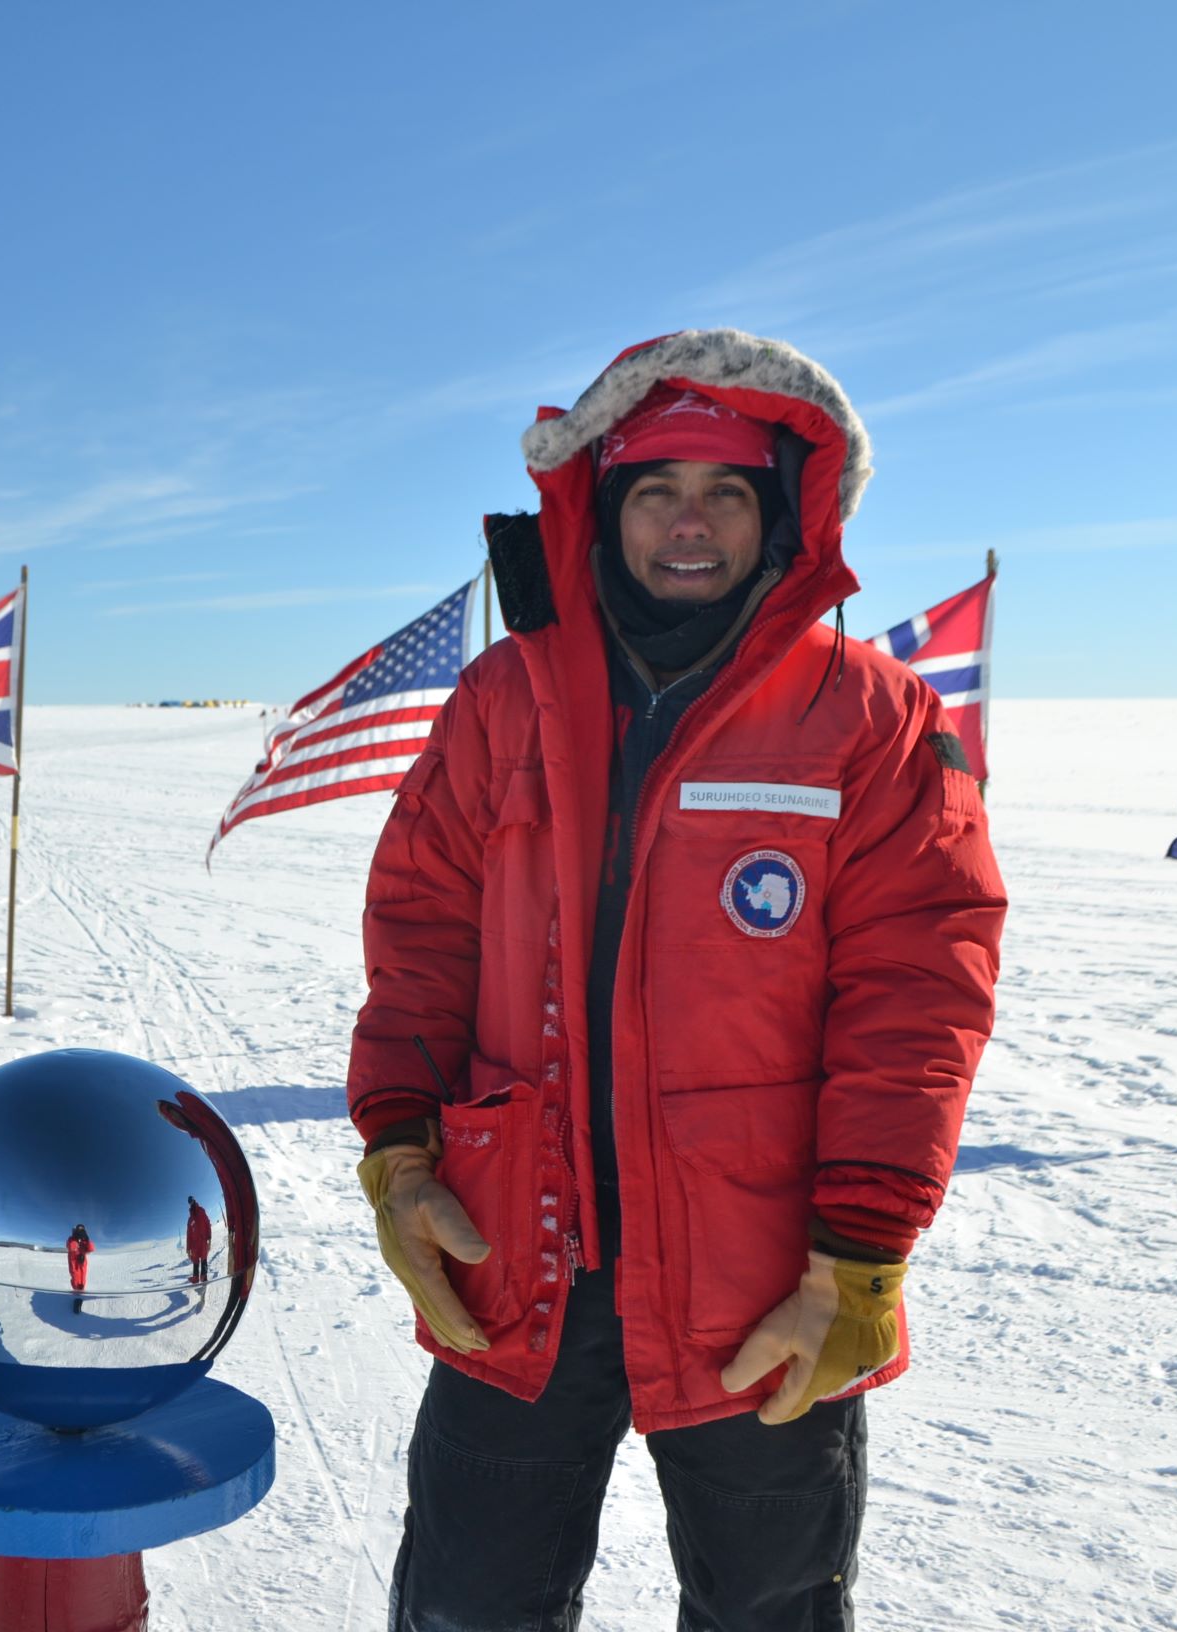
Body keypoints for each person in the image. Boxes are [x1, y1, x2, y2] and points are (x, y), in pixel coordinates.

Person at [349, 329, 1007, 1630]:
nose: (688, 520)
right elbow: (422, 933)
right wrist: (404, 1156)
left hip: (766, 1269)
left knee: (769, 1606)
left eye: (725, 490)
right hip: (513, 1254)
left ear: (782, 515)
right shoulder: (503, 699)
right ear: (603, 509)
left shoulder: (867, 716)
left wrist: (858, 1256)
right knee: (467, 1605)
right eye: (656, 489)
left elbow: (917, 993)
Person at [186, 1196, 214, 1286]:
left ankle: (204, 1276)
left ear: (194, 1200)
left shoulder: (201, 1211)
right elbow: (189, 1235)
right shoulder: (190, 1220)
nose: (191, 1203)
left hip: (203, 1241)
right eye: (189, 1202)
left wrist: (209, 1238)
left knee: (204, 1258)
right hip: (194, 1245)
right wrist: (188, 1249)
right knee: (195, 1261)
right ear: (189, 1203)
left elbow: (207, 1223)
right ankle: (195, 1278)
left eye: (192, 1200)